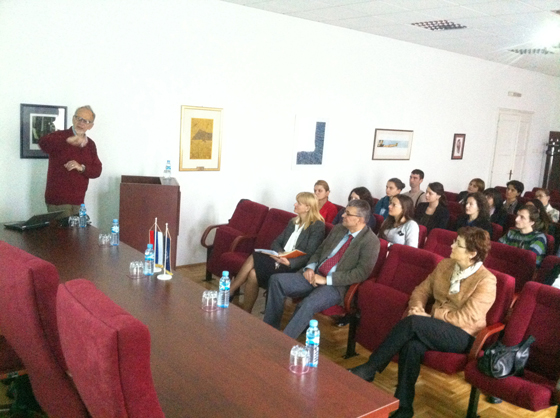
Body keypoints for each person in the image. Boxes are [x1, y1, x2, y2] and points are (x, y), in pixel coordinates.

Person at [350, 227, 496, 418]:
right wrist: (417, 307)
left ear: (472, 253)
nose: (452, 246)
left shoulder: (486, 281)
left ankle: (370, 368)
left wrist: (430, 315)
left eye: (458, 244)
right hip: (434, 327)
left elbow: (467, 318)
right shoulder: (446, 265)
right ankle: (404, 407)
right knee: (412, 346)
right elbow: (422, 290)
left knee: (414, 323)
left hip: (463, 335)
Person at [263, 200, 379, 339]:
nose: (343, 215)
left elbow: (361, 273)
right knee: (276, 281)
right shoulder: (338, 229)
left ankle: (283, 342)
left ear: (359, 219)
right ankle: (270, 327)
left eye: (348, 213)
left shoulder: (370, 241)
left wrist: (326, 280)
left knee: (308, 303)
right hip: (315, 274)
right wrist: (310, 267)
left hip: (336, 285)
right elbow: (319, 251)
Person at [229, 192, 325, 313]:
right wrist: (280, 254)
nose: (295, 204)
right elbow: (276, 242)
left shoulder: (317, 226)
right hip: (280, 258)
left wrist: (289, 262)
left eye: (299, 203)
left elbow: (310, 254)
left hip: (294, 266)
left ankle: (229, 292)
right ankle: (245, 313)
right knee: (253, 274)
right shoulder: (293, 222)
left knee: (254, 258)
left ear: (308, 207)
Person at [38, 105, 102, 219]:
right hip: (58, 201)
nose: (81, 123)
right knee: (62, 231)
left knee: (77, 231)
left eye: (86, 121)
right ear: (73, 119)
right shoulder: (60, 136)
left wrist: (81, 167)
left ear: (90, 126)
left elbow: (97, 170)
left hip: (78, 202)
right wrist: (67, 140)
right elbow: (43, 143)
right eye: (79, 118)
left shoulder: (90, 144)